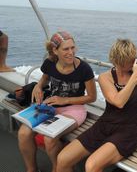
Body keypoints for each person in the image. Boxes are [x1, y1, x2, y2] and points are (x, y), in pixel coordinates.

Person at [57, 38, 137, 172]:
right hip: (105, 124)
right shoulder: (105, 77)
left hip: (128, 129)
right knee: (63, 159)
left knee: (91, 166)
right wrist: (135, 77)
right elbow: (118, 101)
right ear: (118, 60)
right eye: (129, 59)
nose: (134, 62)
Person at [18, 31, 97, 172]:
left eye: (73, 48)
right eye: (66, 49)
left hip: (74, 109)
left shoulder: (84, 69)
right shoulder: (49, 63)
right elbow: (45, 78)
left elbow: (92, 97)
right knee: (23, 133)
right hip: (51, 106)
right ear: (55, 51)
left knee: (50, 137)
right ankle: (31, 170)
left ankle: (58, 168)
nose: (71, 52)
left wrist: (64, 99)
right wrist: (38, 86)